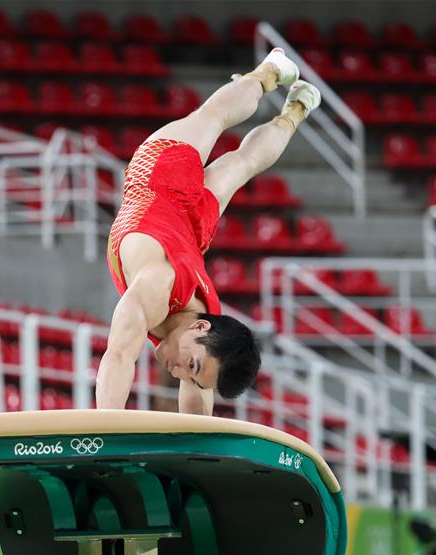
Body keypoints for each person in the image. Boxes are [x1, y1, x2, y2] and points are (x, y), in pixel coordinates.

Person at [97, 48, 321, 415]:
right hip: (160, 180)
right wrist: (99, 439)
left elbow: (197, 405)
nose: (183, 373)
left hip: (191, 228)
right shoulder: (155, 286)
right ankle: (269, 73)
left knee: (245, 163)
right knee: (213, 117)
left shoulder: (205, 328)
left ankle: (298, 108)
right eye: (194, 368)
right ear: (201, 327)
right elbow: (120, 356)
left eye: (197, 377)